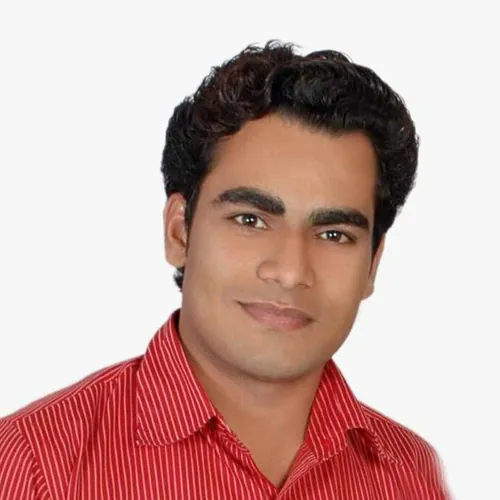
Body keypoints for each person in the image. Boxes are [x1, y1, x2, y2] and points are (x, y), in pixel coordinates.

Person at [0, 40, 452, 499]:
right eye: (250, 220)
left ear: (373, 263)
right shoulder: (33, 466)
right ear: (180, 232)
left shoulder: (415, 475)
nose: (290, 271)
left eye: (334, 234)